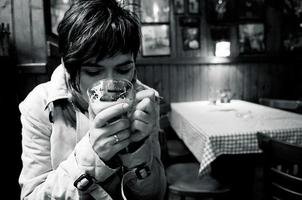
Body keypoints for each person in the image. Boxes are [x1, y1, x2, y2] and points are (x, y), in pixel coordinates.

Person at [18, 0, 167, 199]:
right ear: (69, 69)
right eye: (94, 71)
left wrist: (138, 152)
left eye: (123, 69)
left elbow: (156, 194)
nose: (111, 85)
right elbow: (31, 196)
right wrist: (91, 157)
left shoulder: (145, 101)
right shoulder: (39, 104)